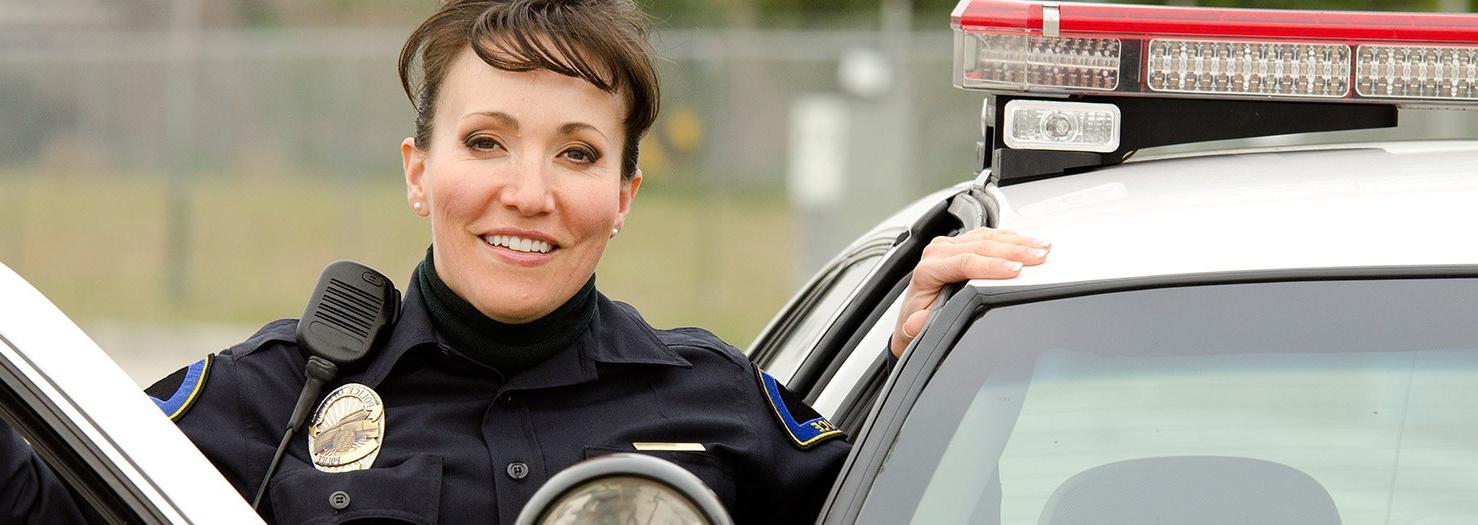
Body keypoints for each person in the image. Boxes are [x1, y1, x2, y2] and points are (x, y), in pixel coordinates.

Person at [0, 0, 1049, 523]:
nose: (530, 193)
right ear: (419, 170)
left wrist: (939, 383)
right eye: (486, 141)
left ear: (625, 196)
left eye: (579, 154)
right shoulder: (261, 405)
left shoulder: (723, 408)